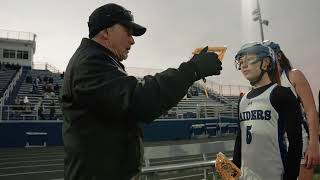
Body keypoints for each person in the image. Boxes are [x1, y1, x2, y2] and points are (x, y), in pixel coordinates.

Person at [59, 3, 222, 180]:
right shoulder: (90, 64)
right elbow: (140, 100)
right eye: (128, 32)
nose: (132, 40)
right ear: (105, 32)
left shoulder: (97, 61)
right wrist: (192, 70)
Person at [232, 42, 303, 180]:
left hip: (274, 175)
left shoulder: (282, 94)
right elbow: (240, 139)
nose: (243, 64)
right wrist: (234, 173)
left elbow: (296, 141)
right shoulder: (242, 100)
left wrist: (290, 176)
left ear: (265, 63)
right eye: (241, 61)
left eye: (249, 59)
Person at [264, 40, 320, 180]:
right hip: (275, 145)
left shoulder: (293, 75)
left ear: (278, 56)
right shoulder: (264, 84)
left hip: (299, 141)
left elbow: (311, 110)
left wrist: (314, 144)